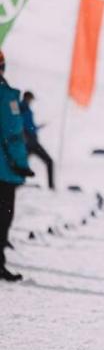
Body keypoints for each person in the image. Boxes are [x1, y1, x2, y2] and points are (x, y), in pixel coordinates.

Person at [0, 50, 34, 282]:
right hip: (3, 170)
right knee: (3, 216)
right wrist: (21, 165)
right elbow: (13, 133)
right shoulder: (6, 96)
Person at [20, 91, 54, 190]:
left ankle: (18, 183)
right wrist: (37, 128)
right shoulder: (25, 109)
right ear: (28, 98)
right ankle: (51, 186)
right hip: (31, 142)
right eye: (31, 99)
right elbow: (29, 126)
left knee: (21, 164)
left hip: (26, 143)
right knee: (49, 161)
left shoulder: (20, 107)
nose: (31, 101)